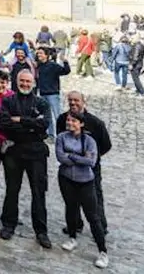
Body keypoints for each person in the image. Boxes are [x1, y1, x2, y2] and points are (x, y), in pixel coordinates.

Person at [0, 70, 53, 248]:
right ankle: (8, 224)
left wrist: (20, 120)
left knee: (38, 192)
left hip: (36, 152)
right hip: (15, 150)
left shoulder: (41, 102)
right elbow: (5, 124)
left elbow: (44, 124)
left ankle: (41, 231)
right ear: (16, 81)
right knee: (12, 189)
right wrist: (30, 124)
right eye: (22, 81)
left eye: (28, 81)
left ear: (33, 83)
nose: (25, 84)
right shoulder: (8, 101)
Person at [56, 111, 109, 269]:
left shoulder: (89, 140)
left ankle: (103, 250)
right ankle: (72, 237)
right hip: (66, 179)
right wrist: (78, 157)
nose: (70, 123)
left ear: (81, 123)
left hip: (85, 181)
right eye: (69, 120)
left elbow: (91, 161)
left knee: (92, 216)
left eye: (74, 121)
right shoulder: (61, 138)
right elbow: (60, 157)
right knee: (71, 209)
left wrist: (72, 156)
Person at [55, 91, 111, 236]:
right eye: (70, 100)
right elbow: (61, 143)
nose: (73, 103)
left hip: (90, 170)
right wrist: (77, 157)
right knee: (71, 198)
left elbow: (105, 145)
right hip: (69, 168)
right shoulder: (62, 119)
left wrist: (91, 157)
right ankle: (75, 224)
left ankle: (100, 228)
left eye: (76, 100)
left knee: (95, 197)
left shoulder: (96, 123)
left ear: (83, 102)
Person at [33, 48, 70, 137]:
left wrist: (65, 62)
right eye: (38, 54)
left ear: (46, 55)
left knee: (57, 115)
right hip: (42, 94)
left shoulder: (53, 65)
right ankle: (50, 134)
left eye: (41, 53)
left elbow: (66, 71)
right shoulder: (38, 66)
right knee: (47, 116)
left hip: (53, 94)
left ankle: (61, 134)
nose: (39, 55)